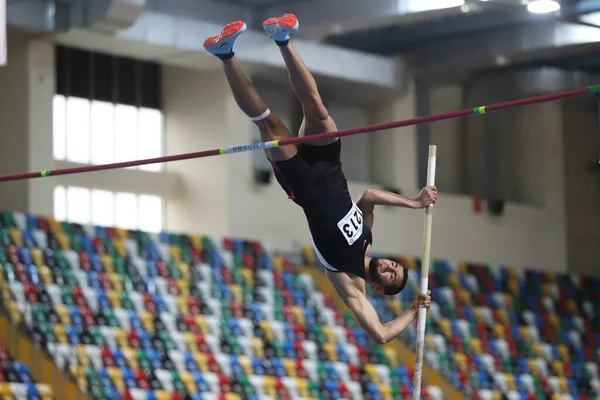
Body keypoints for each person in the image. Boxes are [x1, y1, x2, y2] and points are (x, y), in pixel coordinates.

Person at [204, 14, 437, 344]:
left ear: (380, 287)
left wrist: (414, 310)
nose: (388, 266)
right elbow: (369, 195)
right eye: (394, 266)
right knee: (316, 109)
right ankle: (281, 37)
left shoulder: (351, 280)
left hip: (302, 183)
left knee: (269, 124)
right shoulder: (366, 234)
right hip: (329, 165)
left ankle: (224, 54)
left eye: (390, 275)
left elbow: (381, 334)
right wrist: (414, 202)